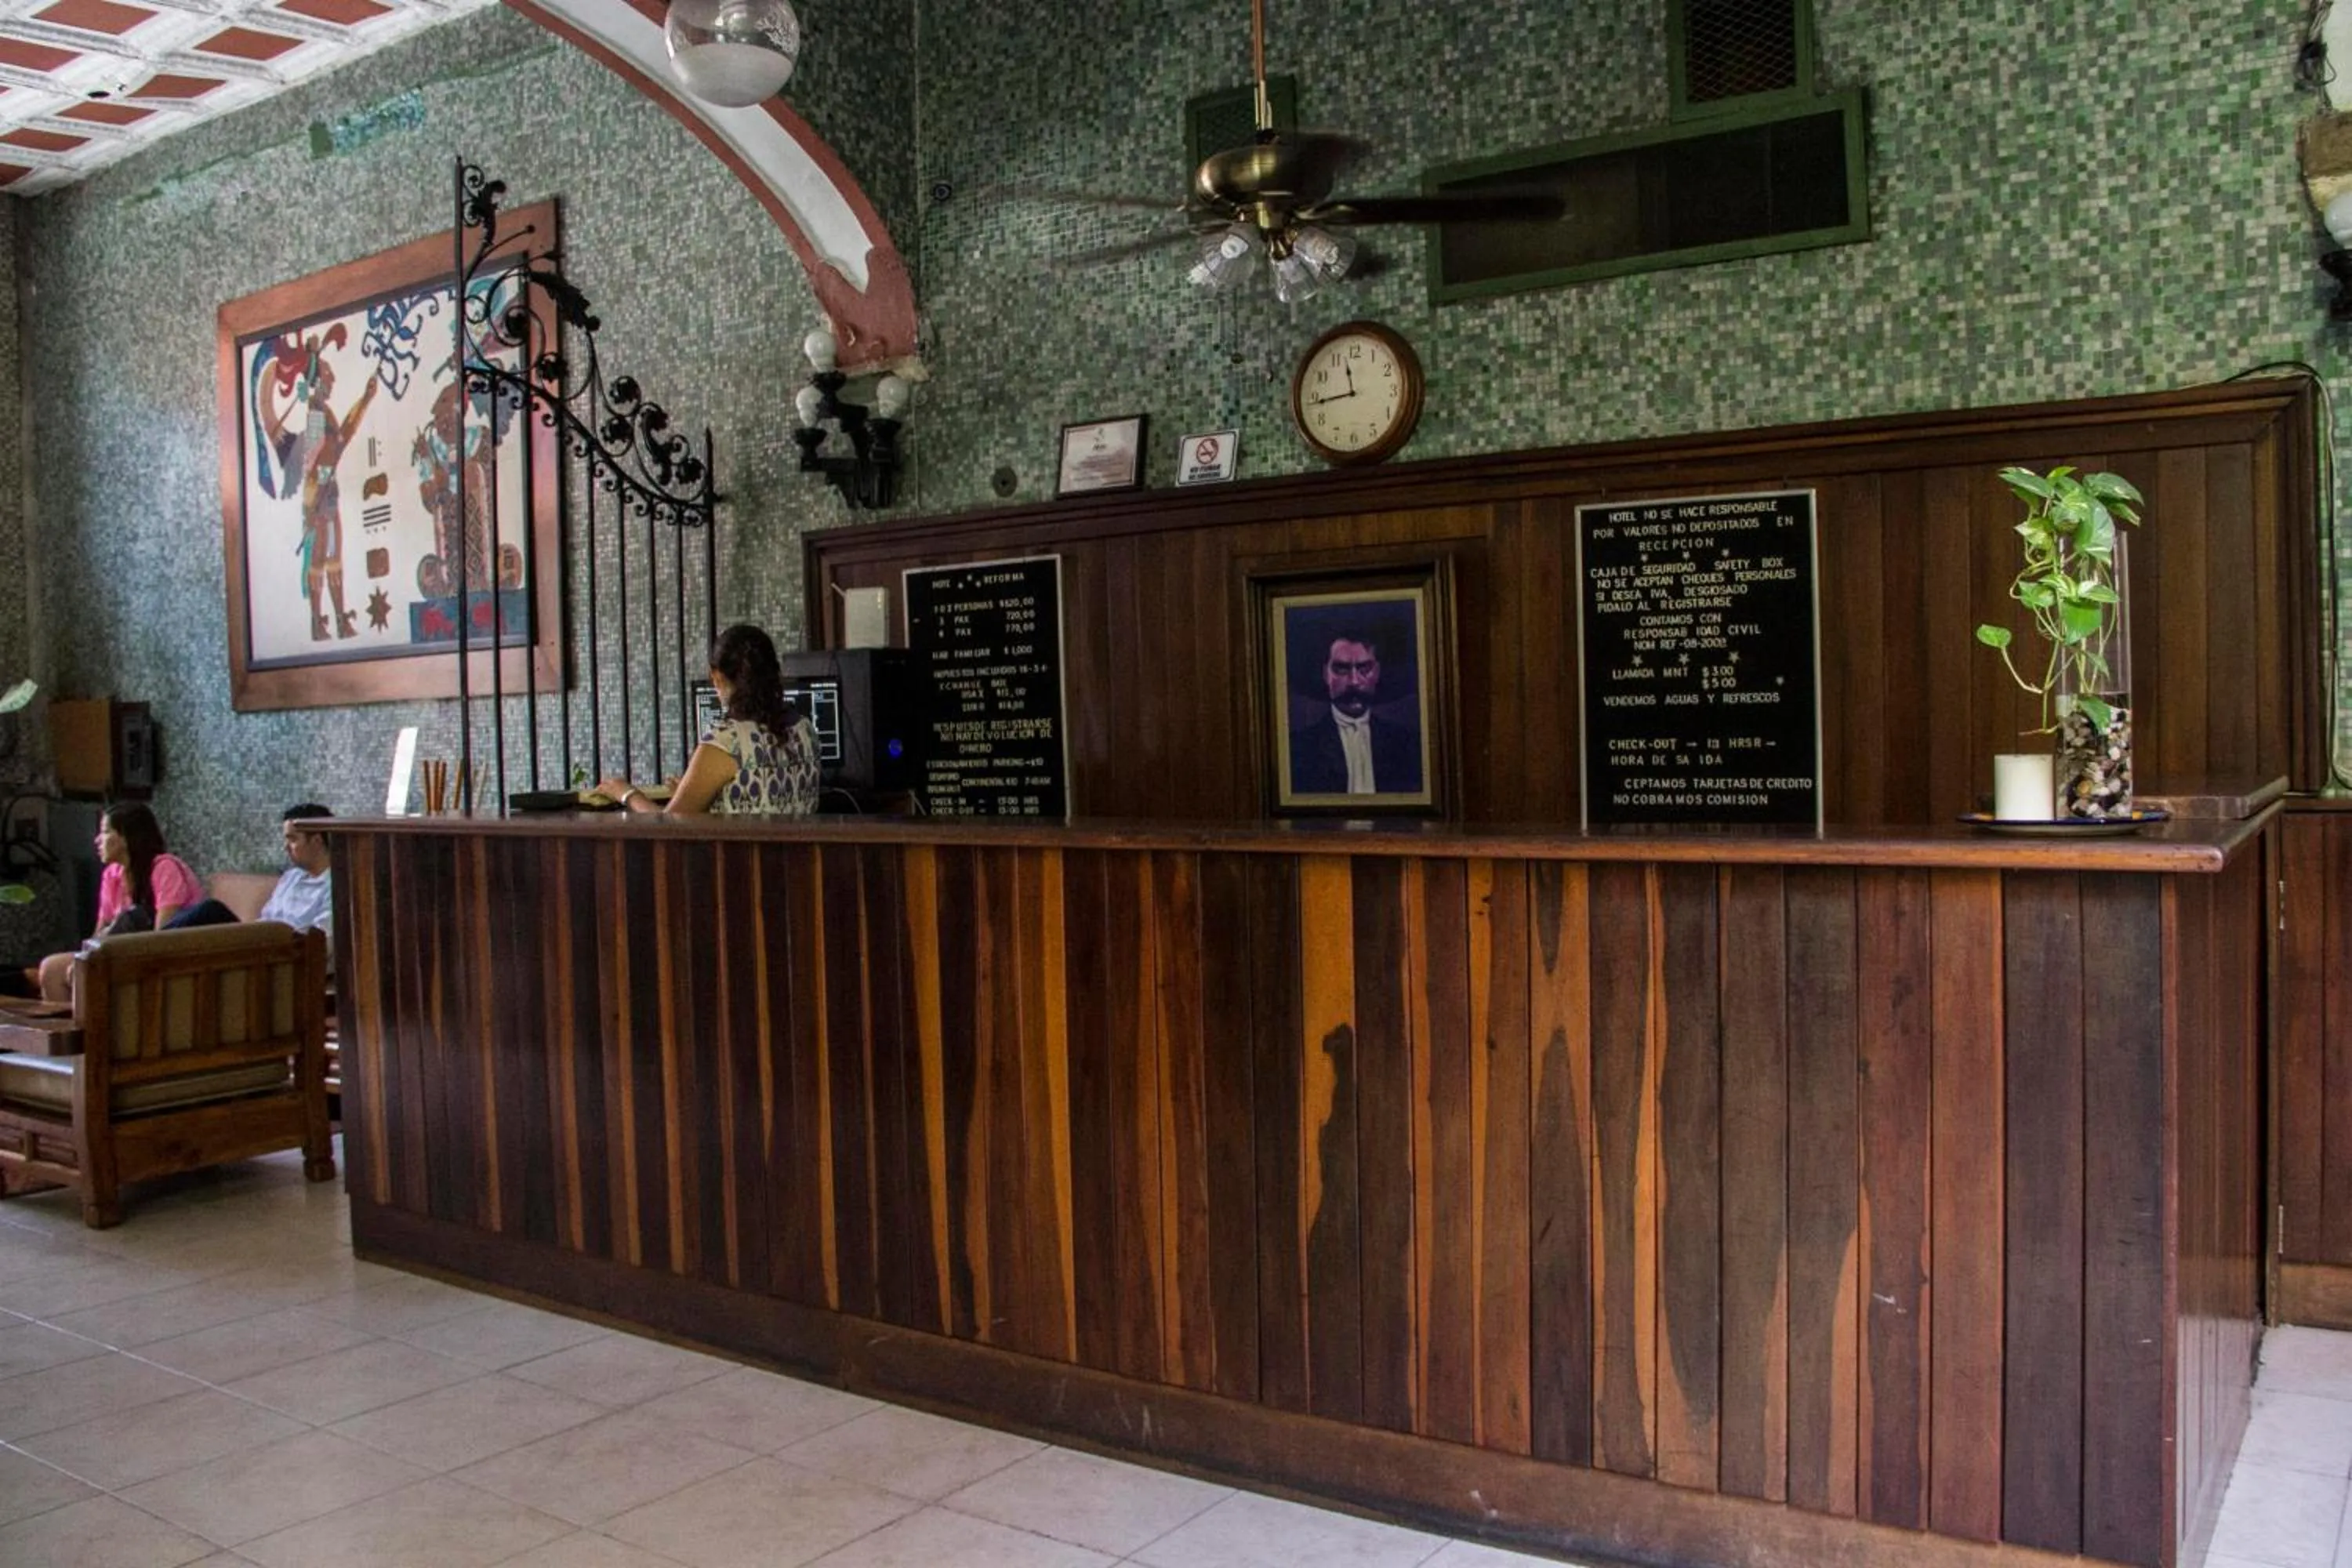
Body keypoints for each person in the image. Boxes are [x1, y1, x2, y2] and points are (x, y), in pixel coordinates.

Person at [597, 623, 821, 816]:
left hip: (738, 866)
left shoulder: (726, 744)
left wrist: (627, 794)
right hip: (795, 865)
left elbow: (671, 828)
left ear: (717, 677)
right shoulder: (805, 729)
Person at [37, 802, 203, 1001]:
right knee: (51, 969)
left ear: (126, 838)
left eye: (105, 832)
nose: (97, 840)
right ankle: (76, 1031)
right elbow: (100, 932)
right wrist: (86, 960)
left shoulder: (165, 868)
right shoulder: (112, 875)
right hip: (121, 952)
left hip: (161, 956)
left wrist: (93, 964)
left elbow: (163, 938)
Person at [164, 804, 333, 943]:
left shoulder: (335, 884)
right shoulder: (291, 878)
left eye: (293, 839)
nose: (285, 847)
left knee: (210, 911)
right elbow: (267, 918)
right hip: (261, 942)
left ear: (317, 841)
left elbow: (321, 937)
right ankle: (153, 946)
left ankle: (149, 945)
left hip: (286, 951)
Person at [1288, 630, 1424, 797]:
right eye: (1341, 669)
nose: (1354, 681)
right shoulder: (1299, 748)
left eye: (1364, 668)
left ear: (1377, 672)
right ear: (1326, 674)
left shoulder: (1407, 744)